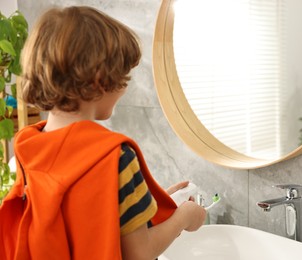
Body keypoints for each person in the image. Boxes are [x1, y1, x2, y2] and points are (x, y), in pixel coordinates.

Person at [1, 6, 206, 260]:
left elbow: (84, 217)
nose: (124, 88)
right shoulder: (115, 157)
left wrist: (143, 200)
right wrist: (183, 218)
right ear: (101, 79)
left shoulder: (29, 147)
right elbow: (139, 253)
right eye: (123, 77)